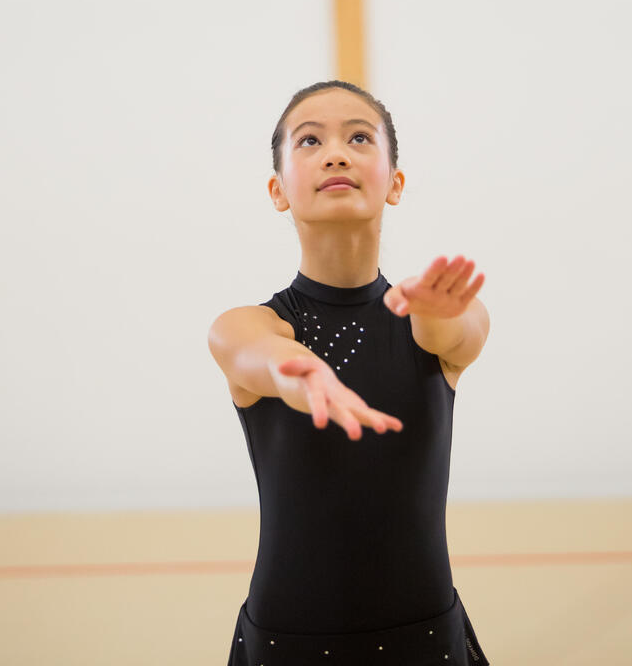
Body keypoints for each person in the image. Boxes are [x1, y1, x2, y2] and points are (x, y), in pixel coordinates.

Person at [208, 80, 491, 666]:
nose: (336, 152)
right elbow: (257, 354)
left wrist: (442, 314)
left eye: (359, 137)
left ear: (395, 181)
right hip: (289, 644)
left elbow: (455, 334)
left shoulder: (433, 316)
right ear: (278, 190)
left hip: (426, 643)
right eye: (309, 140)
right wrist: (301, 376)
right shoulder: (247, 325)